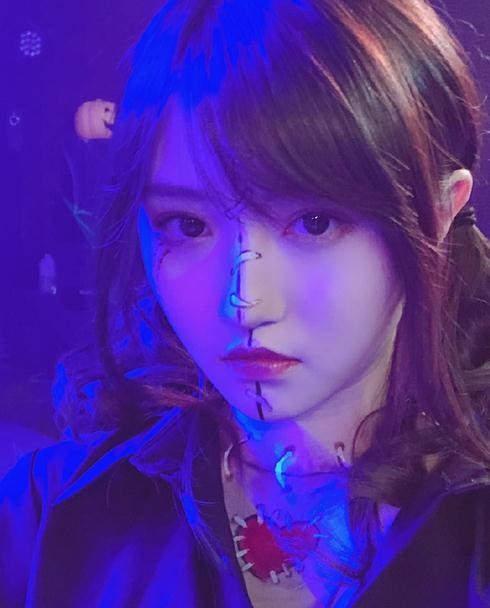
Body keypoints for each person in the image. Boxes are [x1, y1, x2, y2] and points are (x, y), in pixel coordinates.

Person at [1, 0, 490, 606]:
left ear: (439, 215)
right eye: (187, 225)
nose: (244, 303)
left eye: (314, 222)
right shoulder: (52, 519)